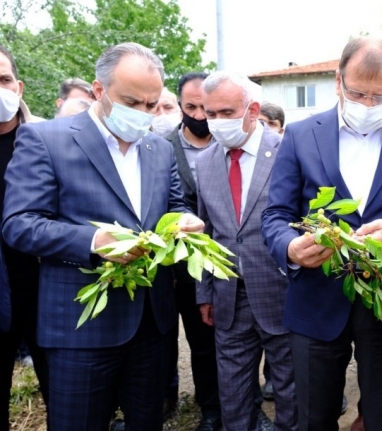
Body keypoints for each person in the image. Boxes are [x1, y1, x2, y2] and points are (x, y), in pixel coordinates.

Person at [1, 42, 203, 431]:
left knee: (147, 421)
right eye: (132, 102)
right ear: (99, 89)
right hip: (80, 327)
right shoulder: (47, 140)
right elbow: (20, 223)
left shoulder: (159, 149)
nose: (144, 114)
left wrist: (185, 221)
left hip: (151, 322)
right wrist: (93, 243)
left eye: (151, 103)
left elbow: (176, 204)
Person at [261, 36, 382, 431]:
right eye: (359, 93)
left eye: (380, 97)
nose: (368, 105)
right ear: (338, 82)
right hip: (315, 300)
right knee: (313, 415)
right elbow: (275, 215)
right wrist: (291, 249)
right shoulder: (300, 135)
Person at [196, 71, 297, 431]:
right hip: (228, 295)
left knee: (290, 386)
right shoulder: (205, 161)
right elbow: (206, 231)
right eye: (210, 114)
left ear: (252, 109)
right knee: (233, 389)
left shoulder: (289, 151)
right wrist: (204, 291)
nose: (217, 122)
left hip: (282, 291)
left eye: (226, 112)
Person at [161, 72, 221, 431]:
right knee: (171, 338)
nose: (199, 115)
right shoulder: (161, 146)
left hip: (220, 260)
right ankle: (165, 399)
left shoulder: (230, 143)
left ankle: (214, 407)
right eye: (190, 107)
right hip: (176, 266)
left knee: (212, 342)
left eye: (206, 108)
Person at [0, 45, 48, 431]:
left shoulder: (52, 140)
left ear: (19, 86)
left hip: (46, 287)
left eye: (2, 80)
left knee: (65, 393)